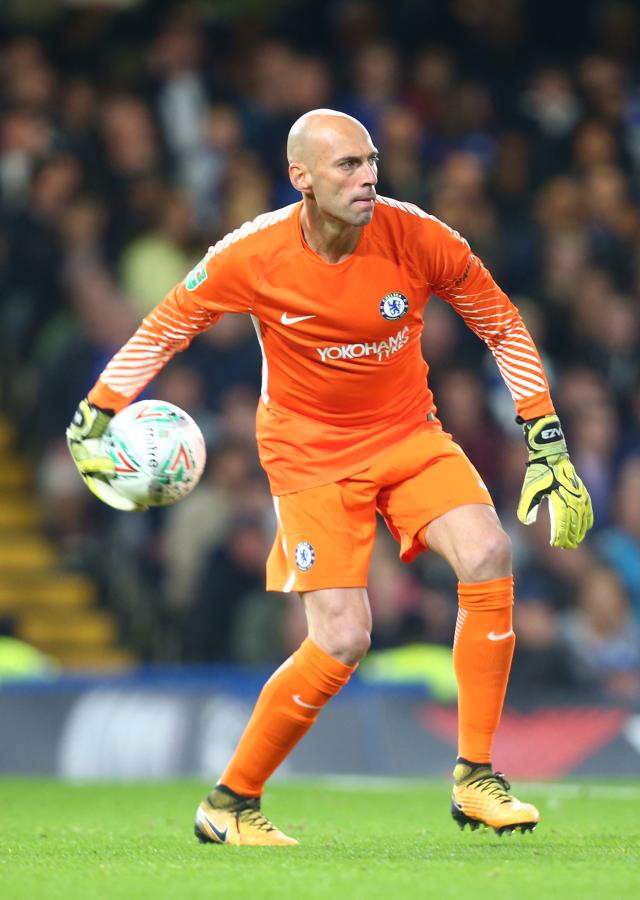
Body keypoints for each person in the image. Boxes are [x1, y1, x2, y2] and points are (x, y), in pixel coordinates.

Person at [67, 109, 593, 845]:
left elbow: (501, 322)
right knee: (343, 638)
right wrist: (96, 413)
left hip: (409, 431)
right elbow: (166, 326)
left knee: (489, 553)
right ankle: (230, 802)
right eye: (347, 165)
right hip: (308, 452)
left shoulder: (418, 235)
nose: (368, 176)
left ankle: (476, 777)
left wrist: (545, 434)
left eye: (371, 159)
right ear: (301, 178)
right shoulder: (253, 253)